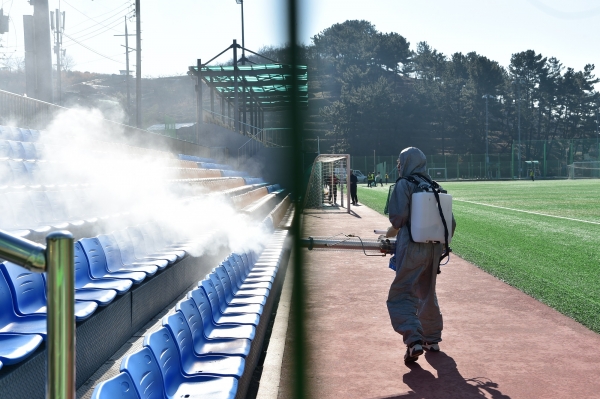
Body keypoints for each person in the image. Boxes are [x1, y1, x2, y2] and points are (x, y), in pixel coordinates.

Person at [385, 147, 456, 363]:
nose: (398, 165)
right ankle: (431, 338)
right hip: (435, 248)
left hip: (412, 246)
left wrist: (391, 232)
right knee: (427, 291)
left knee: (401, 294)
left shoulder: (405, 184)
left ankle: (413, 338)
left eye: (400, 160)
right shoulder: (436, 187)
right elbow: (451, 224)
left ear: (407, 162)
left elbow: (397, 220)